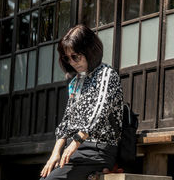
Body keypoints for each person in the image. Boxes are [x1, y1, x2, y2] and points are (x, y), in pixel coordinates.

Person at [40, 24, 123, 180]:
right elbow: (67, 121)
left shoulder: (107, 75)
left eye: (75, 56)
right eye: (67, 58)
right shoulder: (76, 81)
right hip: (76, 149)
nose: (72, 62)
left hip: (99, 149)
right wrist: (55, 153)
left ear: (89, 51)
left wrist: (74, 144)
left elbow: (99, 113)